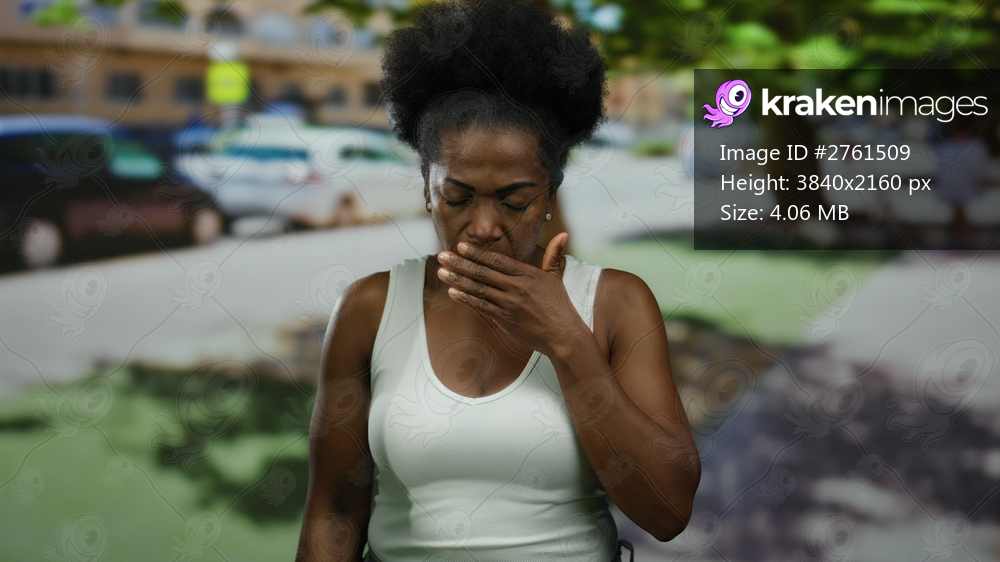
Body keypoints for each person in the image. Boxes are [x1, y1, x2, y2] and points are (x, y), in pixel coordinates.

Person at [295, 1, 700, 561]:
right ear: (426, 187)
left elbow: (668, 512)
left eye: (514, 200)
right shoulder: (370, 308)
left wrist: (567, 341)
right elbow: (335, 508)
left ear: (550, 194)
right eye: (457, 197)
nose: (484, 227)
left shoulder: (615, 302)